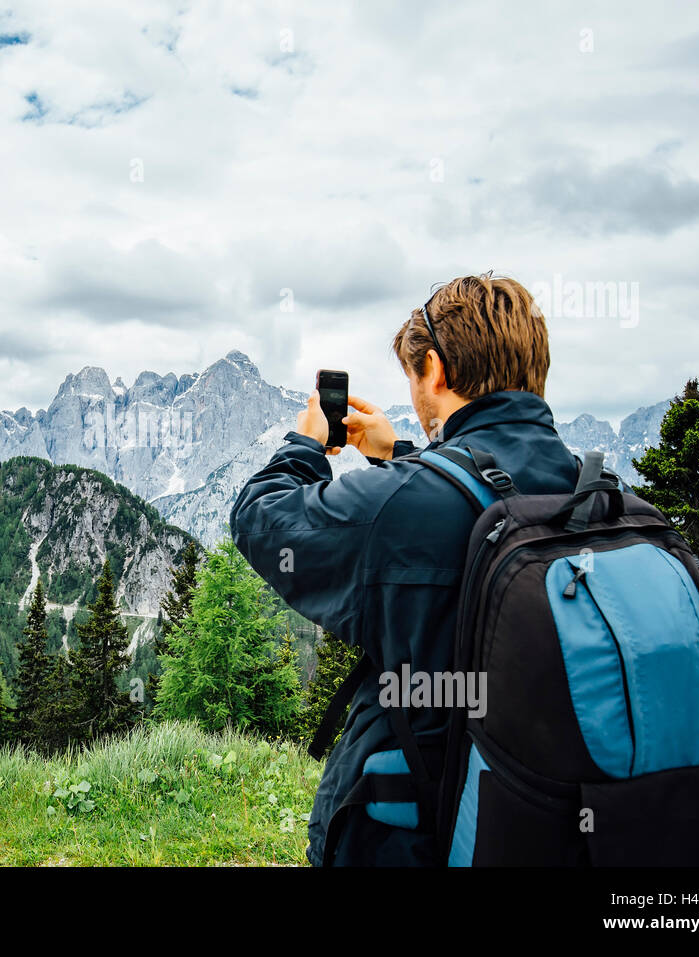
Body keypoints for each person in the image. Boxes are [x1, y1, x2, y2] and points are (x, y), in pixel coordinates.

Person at [230, 272, 581, 866]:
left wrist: (305, 444)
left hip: (419, 834)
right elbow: (489, 497)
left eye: (414, 377)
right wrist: (400, 455)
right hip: (556, 818)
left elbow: (262, 517)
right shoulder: (593, 490)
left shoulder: (404, 504)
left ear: (436, 371)